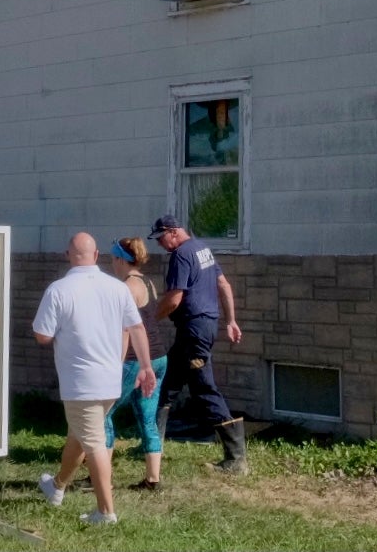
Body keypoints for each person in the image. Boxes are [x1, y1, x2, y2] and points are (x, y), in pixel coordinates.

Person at [32, 232, 156, 525]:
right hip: (110, 381)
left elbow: (42, 336)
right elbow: (137, 329)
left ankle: (105, 512)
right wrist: (146, 367)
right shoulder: (117, 288)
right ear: (97, 254)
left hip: (79, 383)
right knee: (80, 434)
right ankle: (57, 486)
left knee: (94, 443)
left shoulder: (58, 290)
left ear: (67, 255)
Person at [148, 213, 247, 475]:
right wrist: (231, 320)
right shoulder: (203, 249)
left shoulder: (181, 255)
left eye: (160, 238)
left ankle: (236, 458)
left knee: (204, 389)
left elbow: (173, 300)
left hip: (194, 330)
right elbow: (223, 285)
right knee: (167, 384)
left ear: (172, 232)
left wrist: (147, 321)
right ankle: (151, 445)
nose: (159, 244)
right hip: (200, 327)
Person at [103, 237, 171, 490]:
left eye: (112, 258)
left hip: (134, 361)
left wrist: (116, 363)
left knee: (103, 413)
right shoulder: (147, 282)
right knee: (147, 418)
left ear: (121, 259)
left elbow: (125, 329)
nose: (111, 264)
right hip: (158, 357)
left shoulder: (126, 287)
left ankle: (100, 476)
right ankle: (153, 479)